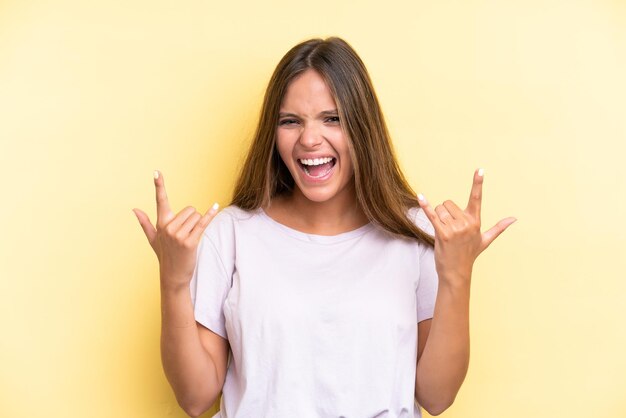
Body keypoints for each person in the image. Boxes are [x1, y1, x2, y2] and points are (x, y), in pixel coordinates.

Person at [133, 37, 516, 418]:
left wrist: (457, 276)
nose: (309, 139)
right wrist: (174, 281)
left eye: (332, 119)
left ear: (362, 128)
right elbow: (196, 397)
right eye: (290, 121)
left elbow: (437, 396)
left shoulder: (414, 233)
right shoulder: (231, 233)